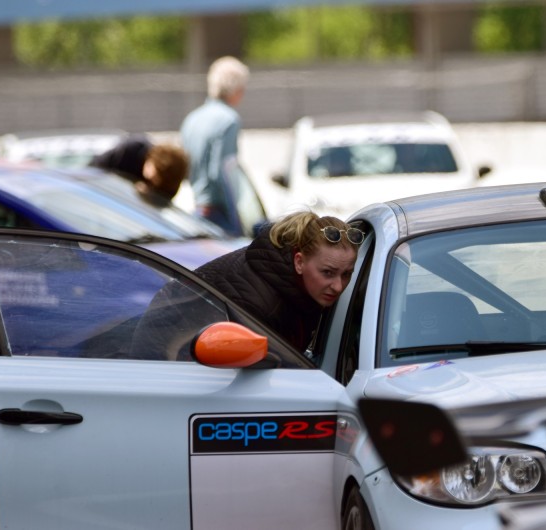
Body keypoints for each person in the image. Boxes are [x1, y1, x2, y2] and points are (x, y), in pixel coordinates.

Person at [195, 211, 362, 352]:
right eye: (327, 273)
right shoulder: (259, 306)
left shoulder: (286, 269)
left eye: (347, 274)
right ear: (299, 262)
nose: (338, 286)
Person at [179, 56, 250, 235]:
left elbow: (186, 169)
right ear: (236, 89)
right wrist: (235, 219)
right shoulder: (229, 120)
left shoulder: (191, 119)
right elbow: (221, 173)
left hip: (198, 209)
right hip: (219, 213)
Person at [89, 135, 189, 206]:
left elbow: (163, 203)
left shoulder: (169, 183)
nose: (148, 179)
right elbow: (93, 170)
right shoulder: (131, 151)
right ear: (152, 159)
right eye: (151, 179)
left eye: (153, 182)